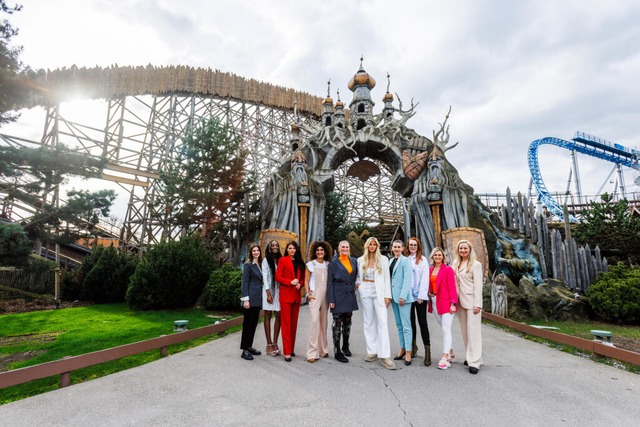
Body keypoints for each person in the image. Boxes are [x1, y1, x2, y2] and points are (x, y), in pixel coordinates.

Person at [356, 237, 397, 370]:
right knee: (368, 322)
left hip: (379, 292)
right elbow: (358, 275)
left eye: (374, 244)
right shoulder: (360, 260)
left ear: (377, 246)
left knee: (382, 322)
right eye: (370, 244)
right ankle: (372, 350)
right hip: (365, 291)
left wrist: (387, 296)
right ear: (367, 246)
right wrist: (359, 284)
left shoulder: (383, 259)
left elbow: (387, 278)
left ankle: (385, 355)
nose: (372, 246)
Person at [452, 239, 484, 374]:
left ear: (470, 249)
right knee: (465, 331)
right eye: (461, 249)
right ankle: (470, 356)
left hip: (472, 302)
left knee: (474, 332)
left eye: (465, 248)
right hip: (460, 301)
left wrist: (478, 304)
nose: (463, 251)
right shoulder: (455, 263)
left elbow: (478, 286)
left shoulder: (476, 265)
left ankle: (475, 362)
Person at [327, 240, 359, 363]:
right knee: (337, 323)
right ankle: (337, 350)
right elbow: (329, 282)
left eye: (347, 247)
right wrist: (331, 299)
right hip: (338, 295)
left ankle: (346, 346)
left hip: (349, 295)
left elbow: (357, 276)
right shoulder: (333, 263)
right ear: (339, 248)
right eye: (343, 247)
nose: (345, 249)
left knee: (348, 321)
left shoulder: (354, 261)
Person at [427, 247, 458, 370]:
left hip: (446, 302)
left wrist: (453, 304)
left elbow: (452, 287)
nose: (438, 257)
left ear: (443, 257)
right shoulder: (430, 269)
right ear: (432, 257)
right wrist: (429, 293)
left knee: (445, 329)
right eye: (435, 255)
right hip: (434, 302)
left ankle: (445, 358)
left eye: (440, 255)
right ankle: (450, 351)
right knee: (444, 328)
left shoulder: (448, 270)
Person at [275, 240, 306, 362]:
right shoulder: (282, 260)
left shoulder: (300, 262)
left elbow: (303, 278)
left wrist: (301, 284)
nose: (292, 250)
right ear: (287, 250)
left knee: (294, 325)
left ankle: (291, 349)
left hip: (296, 296)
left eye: (293, 248)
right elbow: (278, 277)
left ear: (296, 250)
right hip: (286, 296)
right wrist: (290, 282)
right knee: (286, 324)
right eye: (290, 248)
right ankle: (286, 352)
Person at [405, 237, 431, 366]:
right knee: (410, 323)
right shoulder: (406, 259)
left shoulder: (423, 260)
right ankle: (413, 348)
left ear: (418, 246)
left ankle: (427, 351)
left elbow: (425, 279)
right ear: (408, 246)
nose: (413, 247)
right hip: (408, 296)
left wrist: (421, 295)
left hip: (419, 297)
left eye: (415, 245)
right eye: (411, 245)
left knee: (422, 323)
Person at [304, 241, 332, 363]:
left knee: (323, 323)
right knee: (314, 322)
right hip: (315, 295)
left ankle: (323, 349)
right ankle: (312, 352)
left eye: (322, 250)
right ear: (314, 252)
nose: (320, 252)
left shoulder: (328, 265)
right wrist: (308, 293)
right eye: (318, 250)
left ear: (325, 252)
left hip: (326, 296)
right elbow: (306, 280)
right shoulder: (310, 265)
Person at [389, 239, 414, 366]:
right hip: (394, 297)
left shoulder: (406, 261)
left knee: (406, 325)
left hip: (403, 298)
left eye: (399, 247)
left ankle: (409, 351)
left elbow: (407, 279)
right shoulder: (391, 261)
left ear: (403, 248)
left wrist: (403, 296)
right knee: (399, 325)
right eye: (395, 247)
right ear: (392, 248)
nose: (397, 249)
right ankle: (402, 348)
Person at [240, 244, 263, 360]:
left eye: (257, 250)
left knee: (253, 325)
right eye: (254, 250)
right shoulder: (248, 265)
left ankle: (249, 347)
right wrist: (246, 300)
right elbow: (245, 283)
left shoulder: (260, 265)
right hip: (249, 300)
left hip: (257, 300)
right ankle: (244, 350)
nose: (256, 252)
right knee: (247, 325)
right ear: (251, 252)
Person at [262, 240, 282, 356]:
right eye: (272, 245)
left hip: (278, 291)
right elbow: (264, 277)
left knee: (278, 315)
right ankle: (268, 344)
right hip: (268, 291)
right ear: (269, 248)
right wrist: (268, 293)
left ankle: (275, 342)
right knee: (268, 315)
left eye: (276, 245)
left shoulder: (280, 260)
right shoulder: (266, 260)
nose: (275, 247)